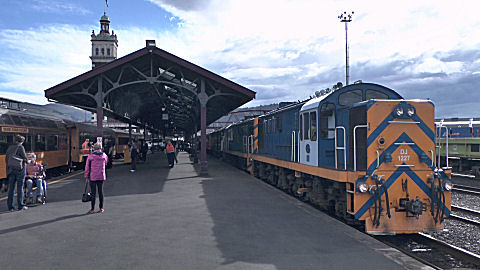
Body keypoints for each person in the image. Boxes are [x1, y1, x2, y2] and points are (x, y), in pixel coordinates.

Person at [5, 135, 29, 211]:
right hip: (20, 170)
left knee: (11, 189)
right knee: (20, 188)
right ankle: (20, 206)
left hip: (11, 170)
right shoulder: (20, 147)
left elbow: (6, 159)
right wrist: (28, 161)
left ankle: (10, 207)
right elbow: (25, 159)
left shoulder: (9, 148)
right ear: (21, 141)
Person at [84, 143, 108, 214]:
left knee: (93, 193)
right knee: (101, 192)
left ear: (94, 148)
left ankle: (92, 209)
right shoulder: (104, 155)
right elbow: (106, 163)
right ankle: (101, 208)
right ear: (100, 148)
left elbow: (87, 167)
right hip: (101, 176)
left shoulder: (91, 156)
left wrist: (86, 176)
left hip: (93, 176)